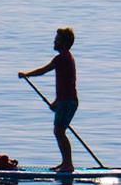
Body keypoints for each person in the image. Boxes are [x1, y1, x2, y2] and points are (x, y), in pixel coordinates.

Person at [19, 27, 79, 172]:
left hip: (67, 101)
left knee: (59, 131)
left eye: (57, 39)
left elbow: (44, 70)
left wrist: (27, 74)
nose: (54, 41)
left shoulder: (62, 59)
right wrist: (57, 102)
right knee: (59, 131)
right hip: (66, 101)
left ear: (63, 43)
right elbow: (65, 84)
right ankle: (65, 163)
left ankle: (68, 165)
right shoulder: (67, 57)